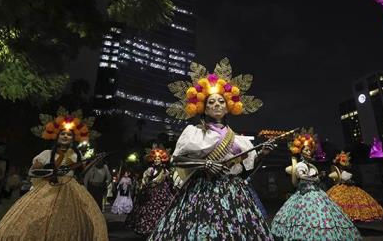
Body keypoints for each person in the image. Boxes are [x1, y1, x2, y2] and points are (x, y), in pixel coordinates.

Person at [148, 58, 275, 240]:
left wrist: (262, 154)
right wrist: (205, 163)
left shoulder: (239, 139)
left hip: (234, 193)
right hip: (201, 190)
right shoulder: (194, 133)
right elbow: (176, 160)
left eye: (221, 102)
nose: (217, 105)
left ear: (228, 107)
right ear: (203, 108)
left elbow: (247, 172)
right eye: (211, 102)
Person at [0, 108, 108, 241]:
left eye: (69, 135)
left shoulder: (76, 155)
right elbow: (32, 171)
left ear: (73, 138)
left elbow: (81, 173)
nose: (65, 136)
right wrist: (50, 172)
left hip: (72, 189)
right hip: (49, 188)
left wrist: (94, 161)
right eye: (62, 133)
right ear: (57, 136)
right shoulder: (46, 154)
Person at [271, 130, 362, 241]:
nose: (309, 152)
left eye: (310, 150)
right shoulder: (301, 164)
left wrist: (319, 176)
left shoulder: (311, 165)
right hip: (305, 195)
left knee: (323, 217)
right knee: (306, 218)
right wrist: (315, 178)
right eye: (306, 150)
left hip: (317, 193)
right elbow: (301, 176)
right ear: (300, 152)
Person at [125, 144, 174, 236]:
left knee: (161, 211)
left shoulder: (165, 172)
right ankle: (146, 228)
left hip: (162, 193)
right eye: (155, 159)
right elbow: (144, 180)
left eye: (158, 159)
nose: (156, 160)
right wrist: (144, 184)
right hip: (150, 193)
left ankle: (160, 228)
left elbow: (169, 182)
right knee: (147, 211)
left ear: (162, 160)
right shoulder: (149, 170)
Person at [327, 151, 383, 222]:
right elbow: (334, 177)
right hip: (340, 188)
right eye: (342, 161)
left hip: (346, 188)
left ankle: (349, 217)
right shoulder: (339, 172)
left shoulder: (346, 172)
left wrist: (348, 181)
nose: (343, 164)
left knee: (350, 202)